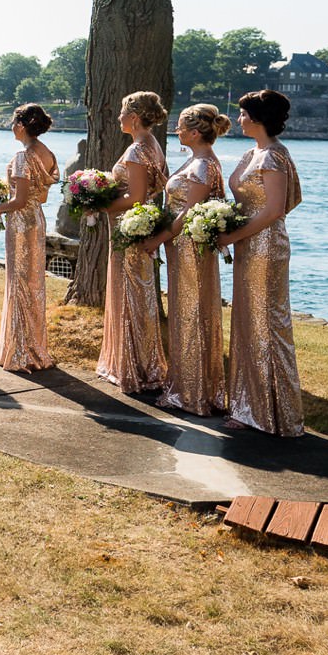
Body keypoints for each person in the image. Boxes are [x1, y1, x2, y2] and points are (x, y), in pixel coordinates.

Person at [216, 89, 305, 437]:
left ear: (255, 118)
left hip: (265, 247)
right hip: (247, 243)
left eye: (241, 114)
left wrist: (232, 236)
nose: (238, 119)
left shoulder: (273, 156)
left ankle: (272, 412)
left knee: (266, 324)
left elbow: (275, 209)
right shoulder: (253, 152)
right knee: (247, 322)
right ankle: (246, 404)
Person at [145, 104, 231, 416]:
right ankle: (185, 384)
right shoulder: (196, 160)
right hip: (180, 249)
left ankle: (194, 392)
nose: (177, 131)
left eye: (181, 127)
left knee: (192, 313)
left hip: (189, 250)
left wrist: (157, 238)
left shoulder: (205, 165)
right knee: (184, 313)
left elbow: (188, 213)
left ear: (195, 133)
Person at [96, 90, 170, 394]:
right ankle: (136, 360)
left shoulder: (138, 150)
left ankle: (135, 366)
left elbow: (136, 197)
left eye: (123, 112)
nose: (119, 117)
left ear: (135, 117)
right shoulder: (152, 144)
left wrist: (100, 205)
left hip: (130, 229)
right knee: (138, 294)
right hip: (138, 227)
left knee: (130, 295)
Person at [0, 103, 58, 371]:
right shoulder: (48, 153)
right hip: (37, 220)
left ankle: (19, 351)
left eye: (13, 122)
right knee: (32, 283)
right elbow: (40, 196)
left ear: (21, 125)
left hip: (20, 223)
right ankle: (33, 346)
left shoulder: (22, 156)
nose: (11, 128)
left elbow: (18, 200)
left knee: (18, 281)